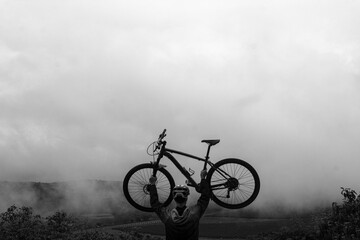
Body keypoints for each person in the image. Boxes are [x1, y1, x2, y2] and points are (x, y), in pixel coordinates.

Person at [148, 170, 210, 240]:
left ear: (174, 198)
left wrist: (152, 184)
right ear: (186, 198)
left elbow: (155, 203)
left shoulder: (167, 216)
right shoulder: (194, 213)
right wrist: (203, 178)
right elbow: (205, 197)